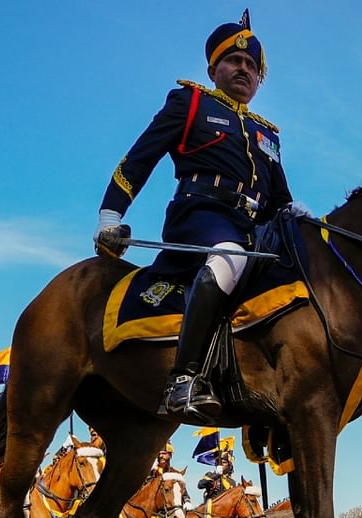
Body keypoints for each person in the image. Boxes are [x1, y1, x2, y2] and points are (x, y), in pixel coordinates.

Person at [94, 10, 304, 425]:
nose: (243, 69)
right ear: (214, 68)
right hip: (200, 214)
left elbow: (280, 199)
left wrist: (303, 220)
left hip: (254, 228)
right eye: (234, 61)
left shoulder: (268, 134)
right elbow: (140, 158)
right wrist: (109, 216)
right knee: (228, 258)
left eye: (251, 66)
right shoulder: (190, 103)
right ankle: (183, 380)